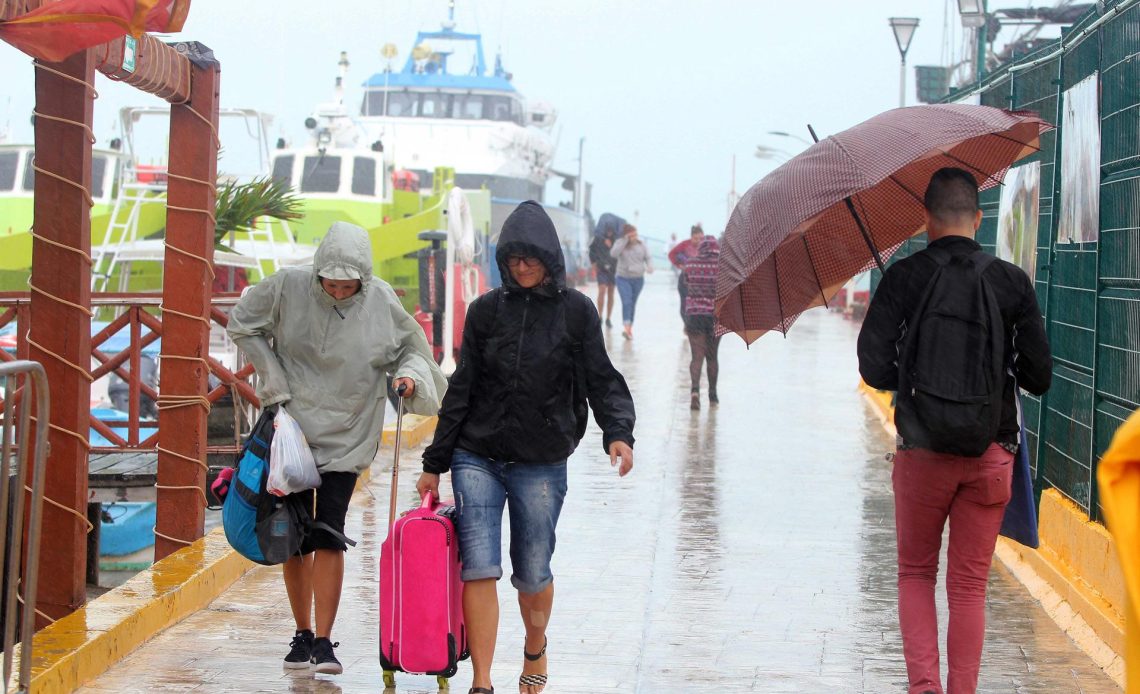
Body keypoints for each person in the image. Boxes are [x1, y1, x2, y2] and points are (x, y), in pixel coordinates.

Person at [416, 201, 636, 694]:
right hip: (478, 456)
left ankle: (535, 646)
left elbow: (602, 378)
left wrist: (618, 431)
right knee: (479, 564)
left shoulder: (576, 312)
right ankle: (482, 679)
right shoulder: (485, 312)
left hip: (541, 461)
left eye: (530, 257)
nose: (522, 266)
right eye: (513, 258)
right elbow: (462, 388)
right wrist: (436, 463)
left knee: (533, 571)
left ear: (549, 258)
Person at [857, 168, 1052, 694]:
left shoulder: (904, 276)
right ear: (978, 219)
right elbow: (1040, 377)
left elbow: (873, 368)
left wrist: (915, 374)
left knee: (916, 575)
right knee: (969, 587)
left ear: (926, 221)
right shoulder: (1011, 282)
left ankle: (925, 689)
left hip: (921, 455)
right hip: (991, 455)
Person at [227, 221, 446, 675]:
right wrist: (273, 377)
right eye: (331, 284)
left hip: (348, 432)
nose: (340, 291)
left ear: (363, 281)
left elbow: (413, 350)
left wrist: (407, 378)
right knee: (289, 536)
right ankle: (301, 631)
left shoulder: (381, 300)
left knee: (329, 532)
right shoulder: (287, 286)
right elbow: (242, 322)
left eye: (350, 286)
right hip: (291, 431)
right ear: (317, 273)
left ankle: (325, 641)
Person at [682, 235, 721, 411]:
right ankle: (712, 395)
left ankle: (695, 392)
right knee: (712, 357)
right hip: (715, 316)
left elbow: (685, 287)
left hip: (694, 315)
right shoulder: (723, 267)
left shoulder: (690, 264)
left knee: (696, 357)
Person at [610, 223, 654, 340]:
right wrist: (625, 241)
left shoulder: (641, 244)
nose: (634, 237)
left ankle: (629, 328)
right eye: (632, 235)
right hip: (623, 278)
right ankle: (626, 327)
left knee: (632, 303)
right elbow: (613, 254)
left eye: (636, 234)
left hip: (638, 279)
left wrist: (650, 266)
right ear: (626, 235)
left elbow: (648, 257)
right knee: (626, 301)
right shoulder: (620, 243)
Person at [669, 223, 704, 320]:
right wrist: (679, 265)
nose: (698, 241)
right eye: (696, 238)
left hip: (701, 281)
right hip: (685, 279)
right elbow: (671, 254)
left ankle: (695, 327)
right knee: (684, 304)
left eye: (700, 238)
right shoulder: (685, 244)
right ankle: (687, 325)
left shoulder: (706, 246)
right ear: (691, 237)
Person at [588, 229, 618, 328]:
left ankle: (608, 319)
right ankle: (600, 317)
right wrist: (593, 263)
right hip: (601, 267)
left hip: (613, 268)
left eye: (611, 229)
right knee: (602, 290)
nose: (609, 231)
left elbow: (621, 252)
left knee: (611, 292)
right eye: (608, 228)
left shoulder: (617, 238)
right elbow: (591, 249)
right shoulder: (598, 238)